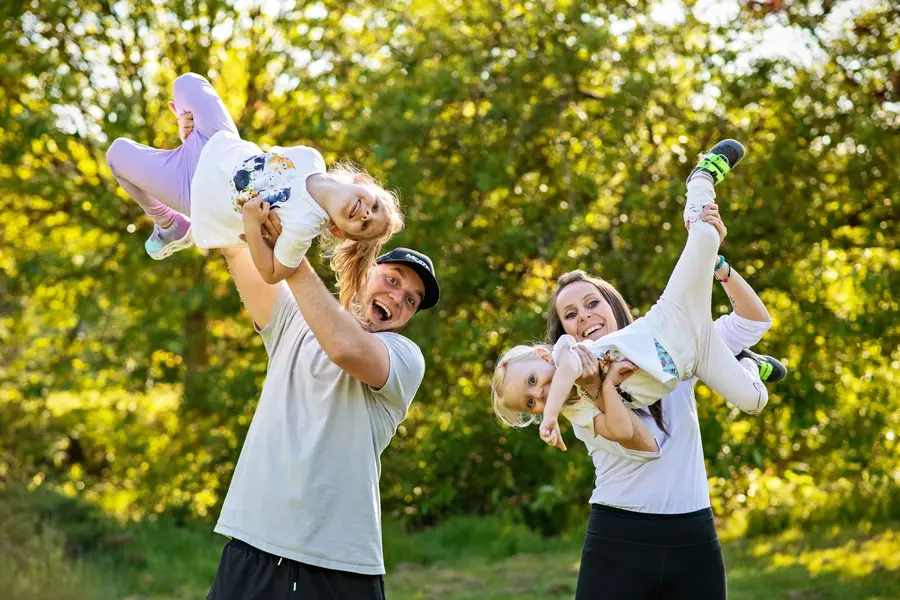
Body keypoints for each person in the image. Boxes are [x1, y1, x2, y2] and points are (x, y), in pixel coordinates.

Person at [492, 140, 785, 453]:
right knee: (755, 400)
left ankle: (700, 180)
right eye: (531, 402)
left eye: (533, 381)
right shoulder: (577, 412)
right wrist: (604, 388)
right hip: (693, 359)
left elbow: (567, 371)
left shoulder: (568, 351)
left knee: (706, 234)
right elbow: (621, 430)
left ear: (543, 357)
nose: (541, 393)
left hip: (672, 321)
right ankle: (747, 363)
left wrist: (550, 417)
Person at [106, 72, 403, 313]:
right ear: (362, 181)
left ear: (338, 230)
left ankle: (169, 224)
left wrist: (251, 223)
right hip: (218, 140)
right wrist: (191, 127)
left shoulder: (303, 226)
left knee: (117, 154)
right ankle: (186, 129)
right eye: (374, 207)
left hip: (192, 188)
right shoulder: (310, 157)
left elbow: (273, 273)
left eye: (363, 225)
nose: (365, 214)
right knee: (187, 83)